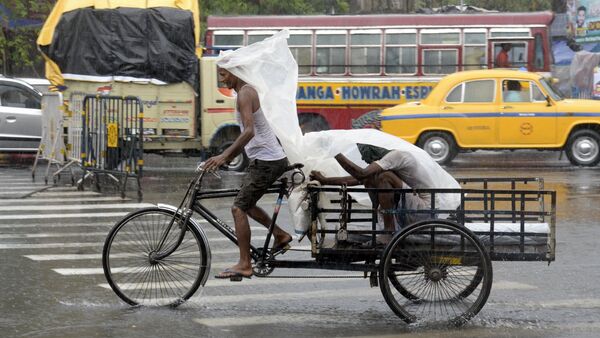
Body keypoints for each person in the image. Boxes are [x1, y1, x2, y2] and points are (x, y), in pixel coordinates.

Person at [203, 67, 292, 280]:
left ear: (235, 72)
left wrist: (225, 156)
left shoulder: (245, 93)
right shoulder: (245, 91)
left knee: (238, 208)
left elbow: (249, 131)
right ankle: (280, 235)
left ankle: (245, 263)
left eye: (224, 75)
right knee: (247, 204)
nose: (222, 80)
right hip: (265, 159)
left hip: (267, 161)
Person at [310, 143, 457, 244]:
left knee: (383, 177)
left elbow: (361, 173)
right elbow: (356, 179)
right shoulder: (389, 161)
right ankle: (386, 226)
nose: (364, 159)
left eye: (365, 155)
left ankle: (388, 230)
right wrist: (325, 180)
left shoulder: (397, 156)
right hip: (410, 210)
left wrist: (336, 154)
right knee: (372, 178)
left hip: (425, 210)